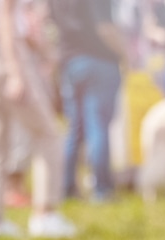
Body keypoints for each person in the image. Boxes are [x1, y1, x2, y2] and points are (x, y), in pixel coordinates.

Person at [0, 0, 77, 239]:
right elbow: (6, 18)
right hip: (10, 53)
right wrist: (15, 70)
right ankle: (46, 213)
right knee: (49, 133)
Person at [50, 0, 128, 202]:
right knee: (99, 126)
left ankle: (67, 187)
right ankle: (101, 189)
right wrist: (127, 54)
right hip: (99, 62)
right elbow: (104, 28)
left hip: (70, 62)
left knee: (74, 128)